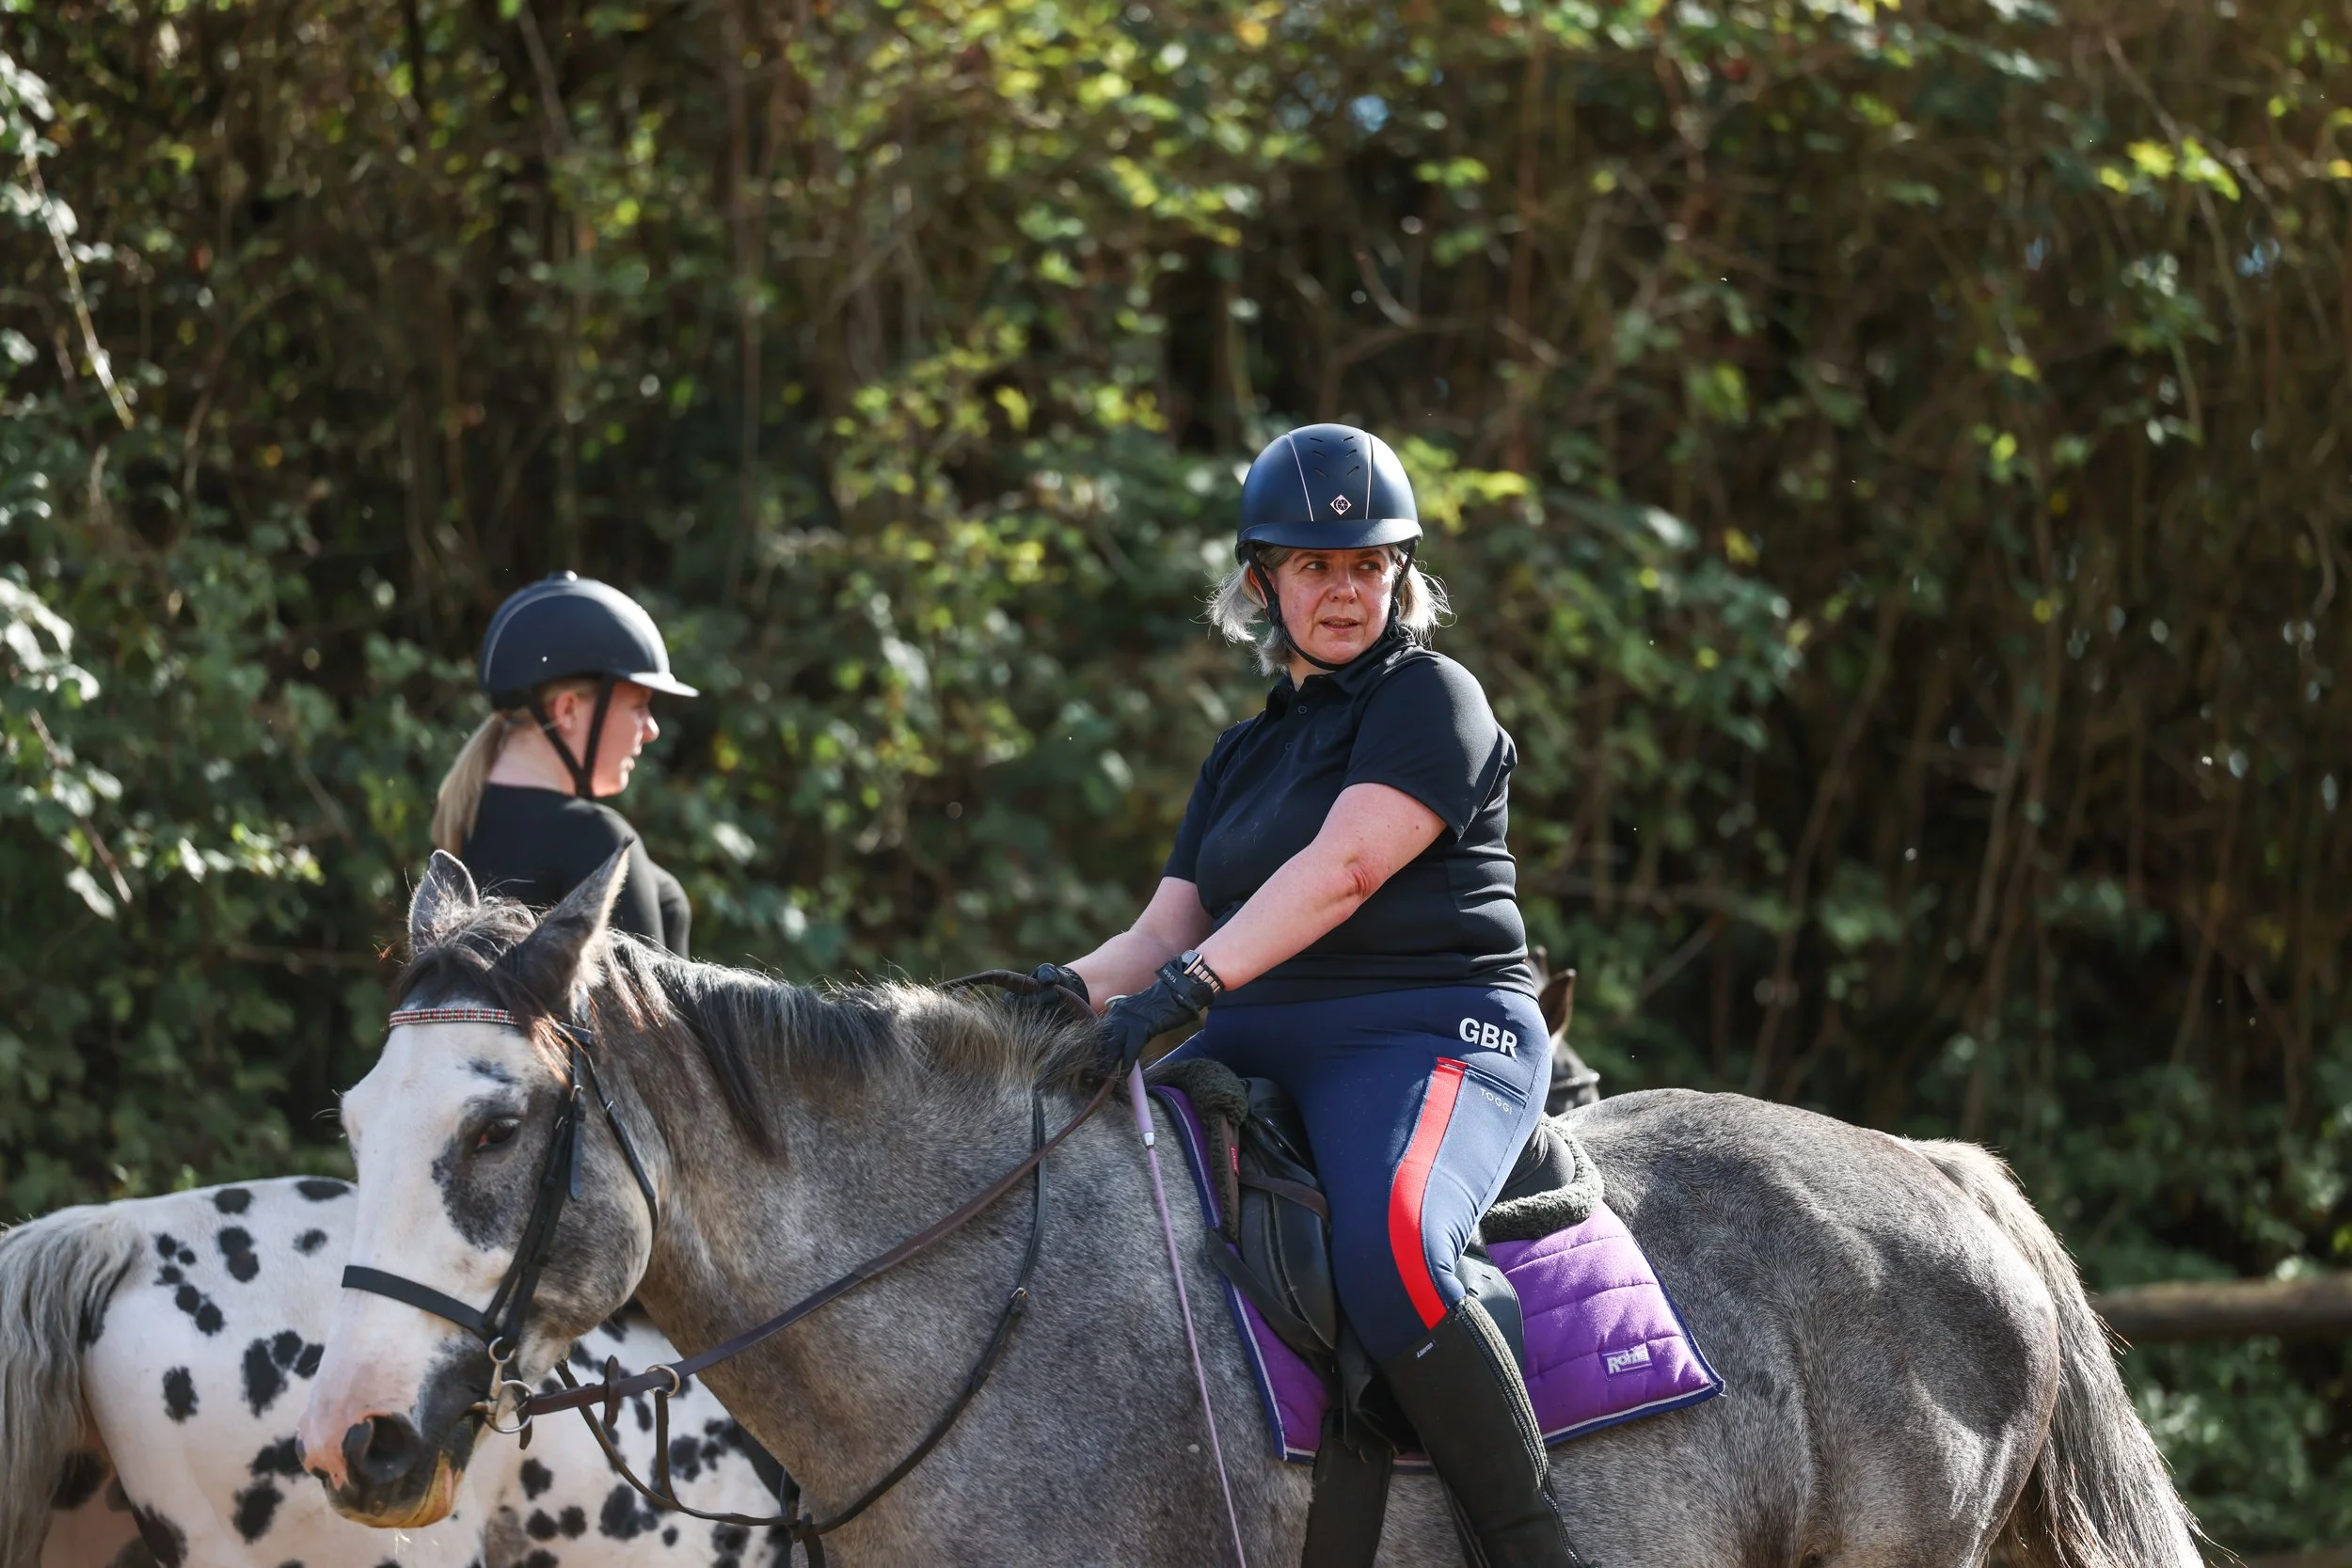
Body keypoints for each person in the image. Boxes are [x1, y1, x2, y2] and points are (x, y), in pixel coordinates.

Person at [1039, 423, 1571, 1565]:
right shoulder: (1240, 754)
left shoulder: (1433, 696)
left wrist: (1186, 987)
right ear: (1260, 582)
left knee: (1393, 1244)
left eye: (1368, 564)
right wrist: (1034, 1001)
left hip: (1430, 1031)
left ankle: (1534, 1547)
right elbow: (1158, 931)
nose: (1344, 588)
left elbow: (1344, 868)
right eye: (1315, 565)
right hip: (1252, 1033)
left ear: (1401, 576)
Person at [430, 572, 698, 956]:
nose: (651, 729)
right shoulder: (595, 840)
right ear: (569, 709)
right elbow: (647, 1016)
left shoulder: (460, 828)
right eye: (639, 705)